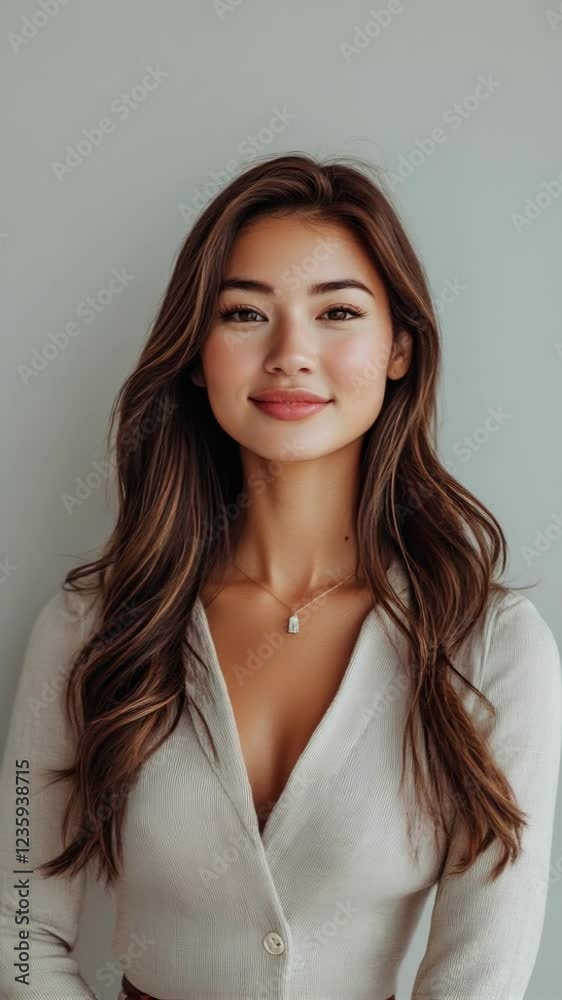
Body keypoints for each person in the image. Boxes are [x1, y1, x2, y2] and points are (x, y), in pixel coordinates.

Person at [1, 153, 561, 1000]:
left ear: (399, 348)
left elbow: (480, 979)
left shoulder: (490, 647)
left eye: (337, 311)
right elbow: (17, 931)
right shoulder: (86, 627)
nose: (291, 355)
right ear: (197, 355)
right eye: (245, 314)